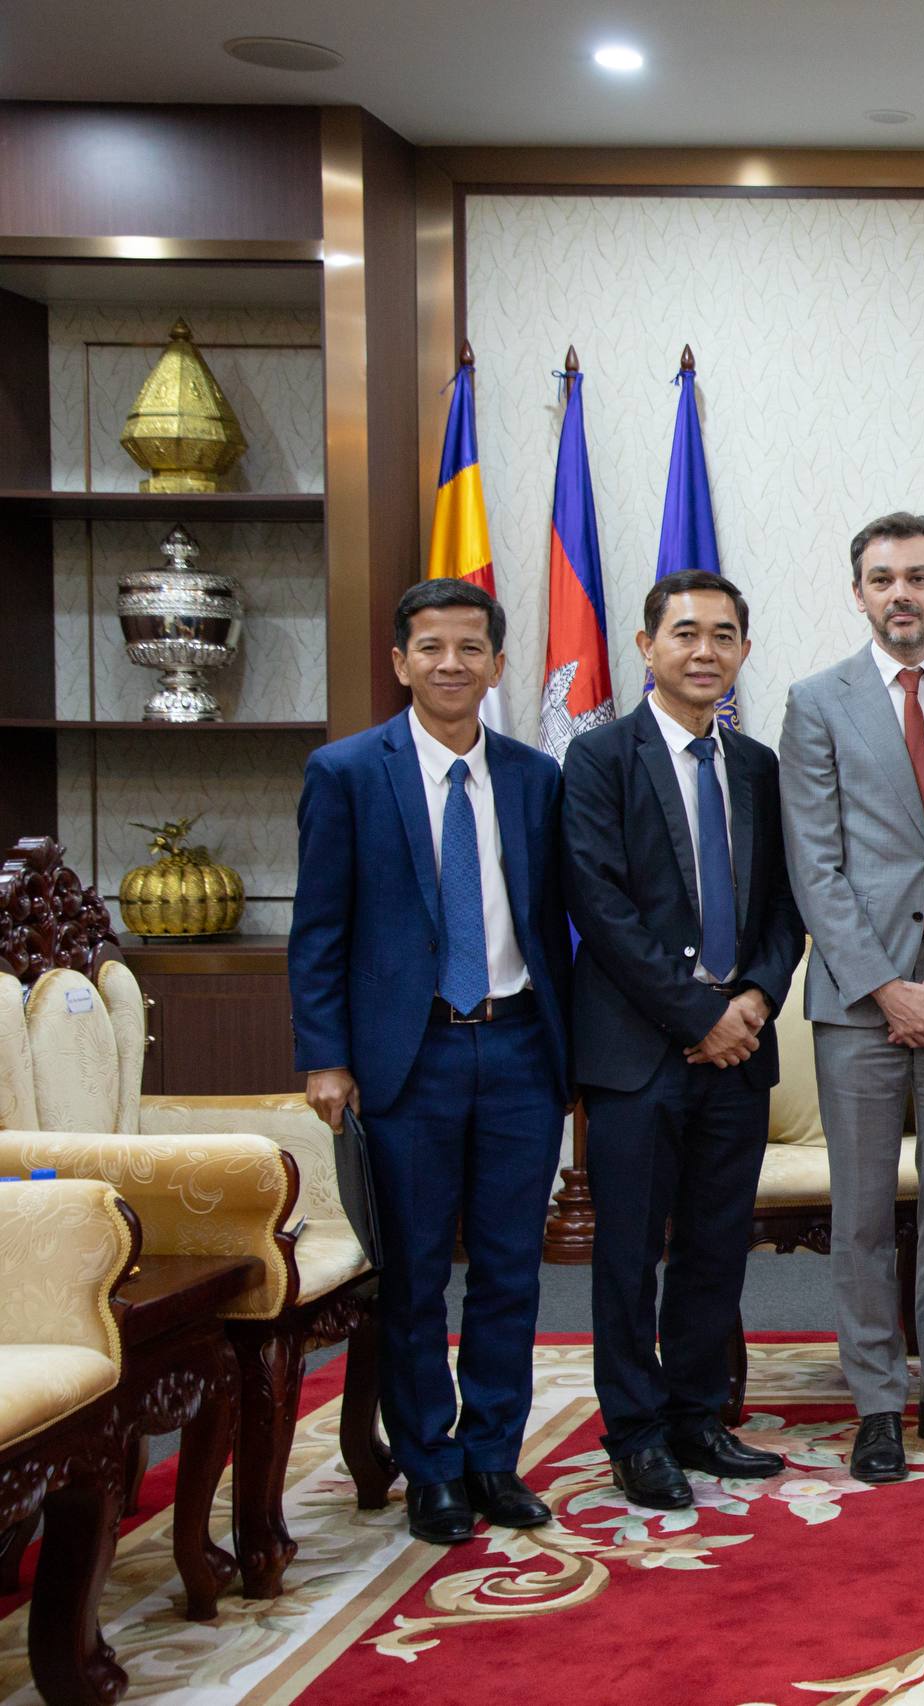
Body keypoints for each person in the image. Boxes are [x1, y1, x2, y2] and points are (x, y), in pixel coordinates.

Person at [288, 578, 572, 1545]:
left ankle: (492, 1456)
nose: (451, 663)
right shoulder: (346, 773)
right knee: (411, 1275)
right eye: (431, 647)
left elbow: (554, 923)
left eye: (470, 648)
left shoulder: (535, 778)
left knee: (509, 1270)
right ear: (400, 661)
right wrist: (326, 1057)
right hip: (406, 1059)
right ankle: (431, 1468)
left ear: (497, 666)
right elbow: (318, 930)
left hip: (521, 1047)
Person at [561, 570, 805, 1512]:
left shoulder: (758, 767)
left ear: (743, 650)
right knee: (629, 1254)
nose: (705, 651)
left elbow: (783, 906)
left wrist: (754, 1000)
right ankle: (635, 1434)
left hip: (738, 1054)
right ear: (646, 646)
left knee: (715, 1247)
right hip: (638, 1054)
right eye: (686, 633)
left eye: (724, 635)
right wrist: (698, 1016)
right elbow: (600, 905)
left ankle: (699, 1416)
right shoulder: (598, 759)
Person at [779, 512, 924, 1484]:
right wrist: (885, 984)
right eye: (882, 578)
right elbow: (814, 864)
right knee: (864, 1211)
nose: (900, 593)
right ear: (859, 593)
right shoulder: (814, 703)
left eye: (917, 576)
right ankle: (877, 1399)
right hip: (858, 1002)